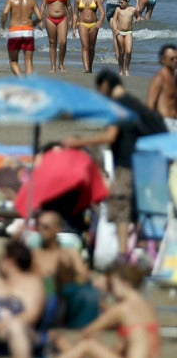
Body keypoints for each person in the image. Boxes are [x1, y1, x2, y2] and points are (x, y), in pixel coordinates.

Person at [63, 70, 167, 254]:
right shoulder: (134, 104)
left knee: (122, 209)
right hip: (149, 163)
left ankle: (122, 254)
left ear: (105, 85)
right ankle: (143, 251)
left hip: (127, 164)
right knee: (139, 208)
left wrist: (77, 142)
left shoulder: (117, 106)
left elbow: (110, 136)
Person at [44, 263, 164, 358]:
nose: (110, 290)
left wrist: (64, 344)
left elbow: (88, 331)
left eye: (111, 285)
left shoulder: (122, 308)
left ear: (126, 283)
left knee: (88, 345)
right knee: (119, 348)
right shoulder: (148, 307)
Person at [31, 211, 98, 330]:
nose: (41, 230)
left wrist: (65, 274)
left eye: (46, 227)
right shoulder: (34, 253)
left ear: (57, 229)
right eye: (39, 226)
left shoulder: (69, 253)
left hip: (63, 295)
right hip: (40, 295)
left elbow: (84, 277)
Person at [0, 0, 41, 77]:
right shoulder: (32, 0)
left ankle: (20, 79)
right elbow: (40, 17)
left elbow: (5, 13)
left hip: (14, 31)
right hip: (28, 31)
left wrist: (2, 27)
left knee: (13, 61)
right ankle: (28, 83)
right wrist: (34, 22)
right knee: (28, 61)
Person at [40, 0, 73, 74]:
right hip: (50, 18)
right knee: (52, 42)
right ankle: (53, 66)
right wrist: (40, 20)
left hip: (63, 18)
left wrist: (72, 19)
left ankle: (61, 64)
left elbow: (68, 5)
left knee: (63, 41)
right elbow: (43, 6)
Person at [74, 0, 105, 74]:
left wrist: (99, 22)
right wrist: (74, 27)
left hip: (93, 25)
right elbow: (75, 13)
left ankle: (90, 67)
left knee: (91, 47)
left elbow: (102, 12)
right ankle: (86, 68)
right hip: (82, 23)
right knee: (85, 46)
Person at [147, 44, 177, 131]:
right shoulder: (159, 78)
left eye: (176, 58)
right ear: (163, 60)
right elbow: (150, 104)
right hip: (165, 122)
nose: (175, 61)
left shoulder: (174, 77)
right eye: (172, 59)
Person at [110, 0, 137, 76]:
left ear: (127, 1)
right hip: (120, 32)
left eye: (121, 2)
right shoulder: (118, 10)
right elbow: (114, 20)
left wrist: (137, 19)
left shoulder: (132, 9)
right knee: (121, 52)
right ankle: (120, 69)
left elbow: (138, 16)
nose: (120, 4)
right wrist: (115, 29)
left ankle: (127, 69)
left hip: (128, 32)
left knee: (128, 51)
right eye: (119, 2)